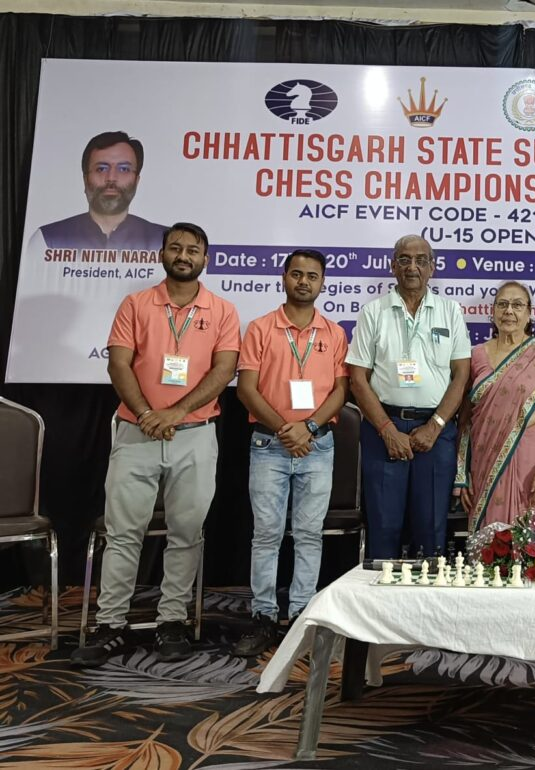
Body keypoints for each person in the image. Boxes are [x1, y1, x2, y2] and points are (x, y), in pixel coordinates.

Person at [71, 222, 240, 667]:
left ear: (206, 259)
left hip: (195, 435)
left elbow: (224, 371)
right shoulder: (136, 304)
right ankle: (111, 625)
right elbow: (118, 364)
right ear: (162, 254)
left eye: (193, 250)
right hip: (136, 432)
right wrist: (148, 413)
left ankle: (172, 621)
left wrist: (176, 413)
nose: (184, 255)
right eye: (176, 248)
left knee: (186, 534)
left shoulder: (222, 311)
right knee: (123, 534)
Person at [231, 249, 349, 657]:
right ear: (283, 278)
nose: (303, 281)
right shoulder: (261, 328)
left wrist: (308, 427)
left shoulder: (334, 333)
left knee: (309, 535)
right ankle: (263, 615)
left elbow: (341, 391)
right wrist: (287, 429)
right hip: (270, 444)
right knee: (266, 534)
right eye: (296, 274)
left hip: (318, 445)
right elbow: (247, 389)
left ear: (322, 283)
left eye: (312, 276)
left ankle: (302, 615)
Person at [347, 235, 471, 559]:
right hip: (383, 429)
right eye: (404, 259)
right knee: (383, 527)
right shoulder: (373, 312)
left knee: (431, 528)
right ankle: (379, 592)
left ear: (432, 267)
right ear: (393, 266)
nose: (412, 267)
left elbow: (461, 375)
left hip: (436, 432)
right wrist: (387, 430)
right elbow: (357, 379)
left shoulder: (450, 311)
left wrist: (435, 425)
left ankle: (428, 591)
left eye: (420, 260)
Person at [455, 281, 535, 532]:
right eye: (503, 304)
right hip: (485, 461)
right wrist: (462, 475)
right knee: (490, 542)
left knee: (532, 542)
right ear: (493, 312)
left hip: (533, 464)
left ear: (529, 314)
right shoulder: (476, 355)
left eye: (517, 305)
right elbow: (464, 421)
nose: (509, 311)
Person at [30, 131, 165, 252]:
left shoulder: (164, 241)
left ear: (137, 181)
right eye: (101, 169)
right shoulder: (48, 240)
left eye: (123, 169)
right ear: (85, 179)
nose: (111, 178)